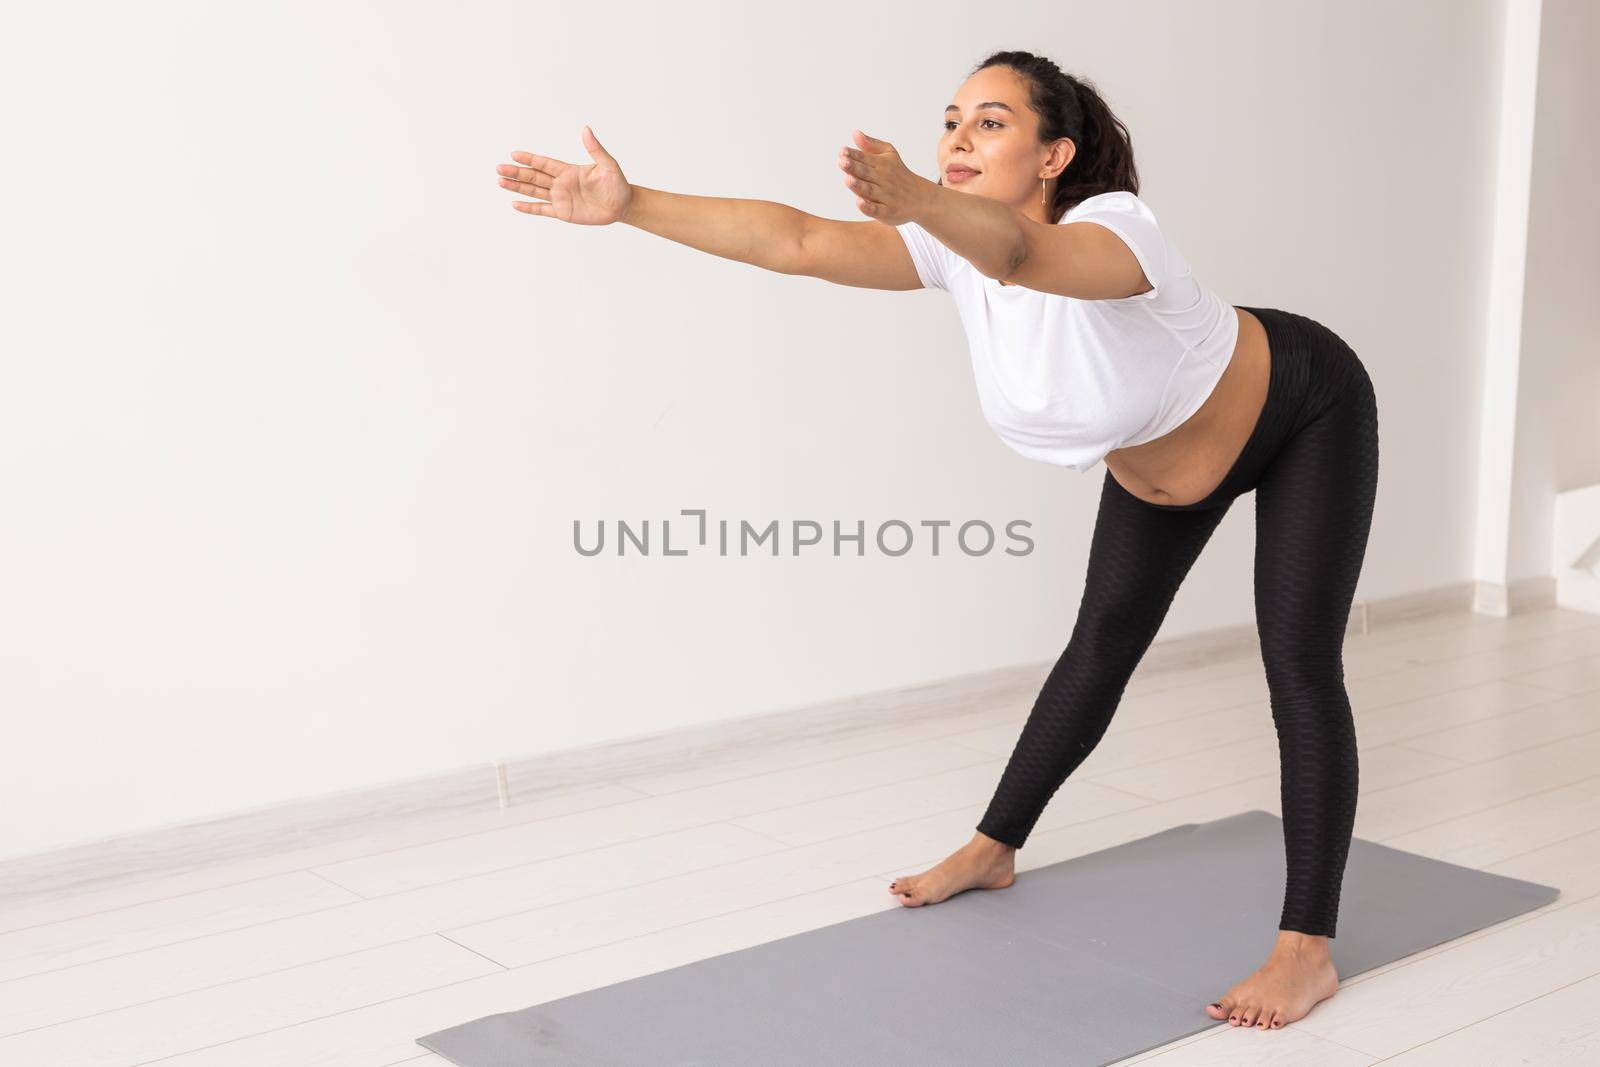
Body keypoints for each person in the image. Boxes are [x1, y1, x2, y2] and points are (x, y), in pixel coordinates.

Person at [495, 48, 1378, 1034]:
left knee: (1297, 661)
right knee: (1100, 644)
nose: (958, 136)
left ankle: (1306, 949)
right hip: (1164, 460)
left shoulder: (1113, 226)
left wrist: (916, 195)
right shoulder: (950, 250)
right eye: (950, 118)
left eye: (990, 122)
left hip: (1301, 408)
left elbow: (1024, 256)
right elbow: (789, 239)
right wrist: (631, 203)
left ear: (1054, 155)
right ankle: (993, 844)